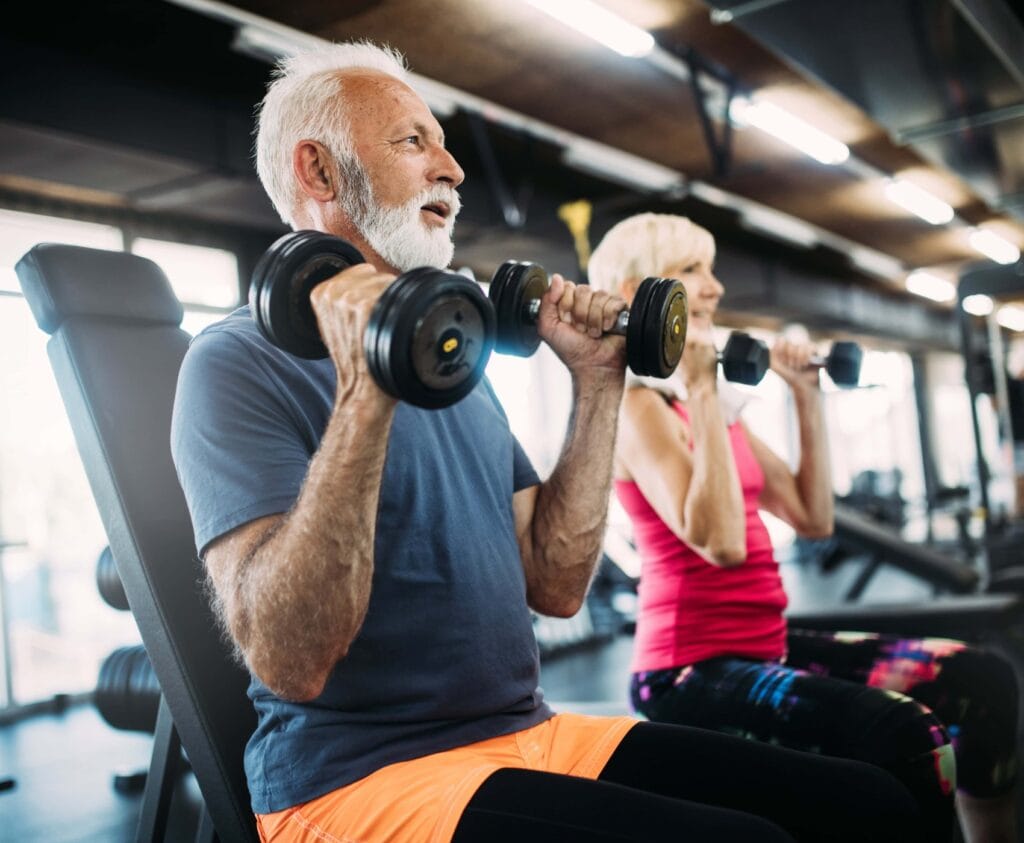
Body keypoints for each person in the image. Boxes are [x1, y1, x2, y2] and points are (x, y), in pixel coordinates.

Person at [171, 42, 934, 843]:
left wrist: (599, 381)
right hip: (356, 782)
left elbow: (557, 582)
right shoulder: (233, 363)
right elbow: (290, 660)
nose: (453, 168)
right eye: (412, 141)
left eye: (440, 140)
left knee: (866, 803)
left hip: (529, 735)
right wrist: (366, 390)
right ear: (319, 172)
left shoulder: (453, 366)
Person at [588, 212, 1021, 843]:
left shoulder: (715, 408)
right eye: (691, 272)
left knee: (981, 680)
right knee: (907, 734)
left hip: (766, 645)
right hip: (688, 673)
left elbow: (812, 517)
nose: (714, 288)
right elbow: (722, 540)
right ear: (637, 294)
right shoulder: (637, 406)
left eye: (710, 271)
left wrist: (804, 394)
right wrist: (704, 392)